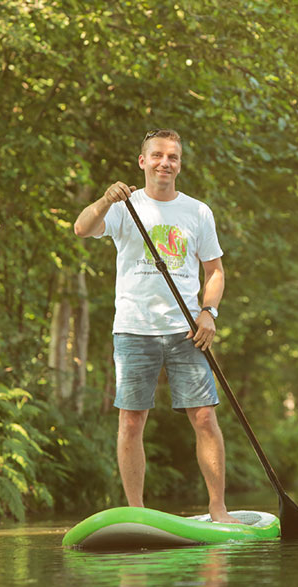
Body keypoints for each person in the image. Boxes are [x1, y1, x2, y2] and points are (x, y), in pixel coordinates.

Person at [73, 128, 237, 523]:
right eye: (158, 155)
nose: (166, 162)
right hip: (133, 328)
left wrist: (208, 313)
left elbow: (214, 271)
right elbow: (81, 228)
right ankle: (137, 513)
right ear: (143, 162)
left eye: (173, 157)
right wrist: (104, 200)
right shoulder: (123, 206)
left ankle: (218, 510)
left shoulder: (197, 212)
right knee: (131, 420)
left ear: (179, 165)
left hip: (185, 331)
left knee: (204, 418)